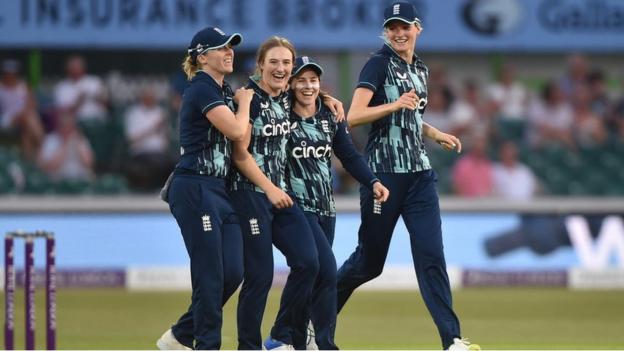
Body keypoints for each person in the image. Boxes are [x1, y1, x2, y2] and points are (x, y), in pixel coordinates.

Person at [334, 2, 479, 350]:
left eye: (405, 26)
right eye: (392, 27)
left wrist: (434, 133)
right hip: (383, 176)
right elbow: (352, 116)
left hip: (419, 177)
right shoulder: (378, 63)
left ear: (418, 28)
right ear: (386, 32)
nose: (399, 33)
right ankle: (311, 320)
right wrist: (396, 104)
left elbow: (410, 118)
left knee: (432, 258)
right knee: (369, 264)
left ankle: (452, 340)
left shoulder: (421, 70)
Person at [229, 37, 344, 350]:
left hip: (280, 196)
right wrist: (268, 188)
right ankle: (249, 347)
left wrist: (328, 98)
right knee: (260, 276)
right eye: (274, 62)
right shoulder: (248, 98)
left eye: (285, 63)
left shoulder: (283, 96)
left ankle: (282, 338)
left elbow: (307, 93)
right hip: (251, 193)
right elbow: (240, 154)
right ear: (261, 64)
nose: (280, 68)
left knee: (310, 263)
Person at [155, 26, 253, 350]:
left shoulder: (224, 92)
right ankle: (206, 345)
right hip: (194, 186)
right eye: (221, 48)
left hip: (219, 189)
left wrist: (241, 104)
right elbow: (237, 130)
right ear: (202, 57)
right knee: (209, 275)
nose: (229, 53)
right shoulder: (200, 88)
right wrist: (246, 103)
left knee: (233, 272)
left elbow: (241, 144)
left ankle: (181, 334)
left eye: (231, 47)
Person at [286, 56, 390, 350]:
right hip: (294, 206)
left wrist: (372, 181)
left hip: (325, 207)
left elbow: (349, 155)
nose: (308, 86)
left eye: (313, 80)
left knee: (311, 273)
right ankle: (323, 343)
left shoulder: (330, 116)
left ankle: (290, 338)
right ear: (291, 83)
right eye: (301, 80)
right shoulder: (280, 114)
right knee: (327, 270)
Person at [0, 59, 44, 160]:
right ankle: (42, 144)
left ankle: (29, 160)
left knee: (27, 131)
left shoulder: (23, 86)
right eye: (8, 73)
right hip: (6, 119)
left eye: (12, 73)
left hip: (25, 118)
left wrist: (26, 109)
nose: (10, 75)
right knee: (28, 118)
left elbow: (33, 104)